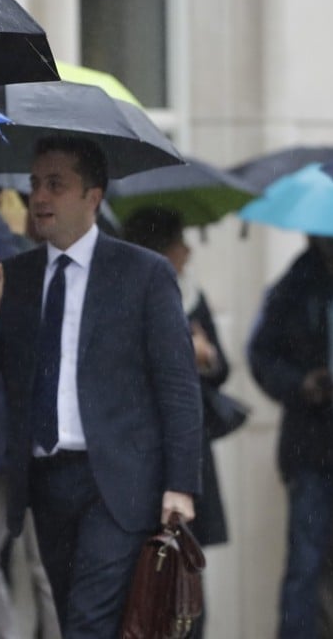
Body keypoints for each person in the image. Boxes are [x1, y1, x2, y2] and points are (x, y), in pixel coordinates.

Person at [0, 136, 202, 637]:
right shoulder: (14, 277)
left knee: (89, 620)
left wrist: (181, 484)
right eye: (36, 184)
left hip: (118, 482)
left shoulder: (143, 274)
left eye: (56, 185)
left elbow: (177, 385)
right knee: (73, 618)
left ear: (93, 196)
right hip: (45, 480)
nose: (40, 197)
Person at [123, 205, 233, 639]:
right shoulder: (132, 291)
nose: (188, 250)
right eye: (178, 242)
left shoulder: (191, 294)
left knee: (184, 569)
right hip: (142, 454)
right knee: (144, 574)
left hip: (189, 448)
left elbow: (221, 368)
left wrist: (205, 355)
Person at [248, 234, 333, 639]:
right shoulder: (295, 283)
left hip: (310, 447)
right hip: (312, 448)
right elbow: (261, 354)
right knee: (306, 564)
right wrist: (301, 384)